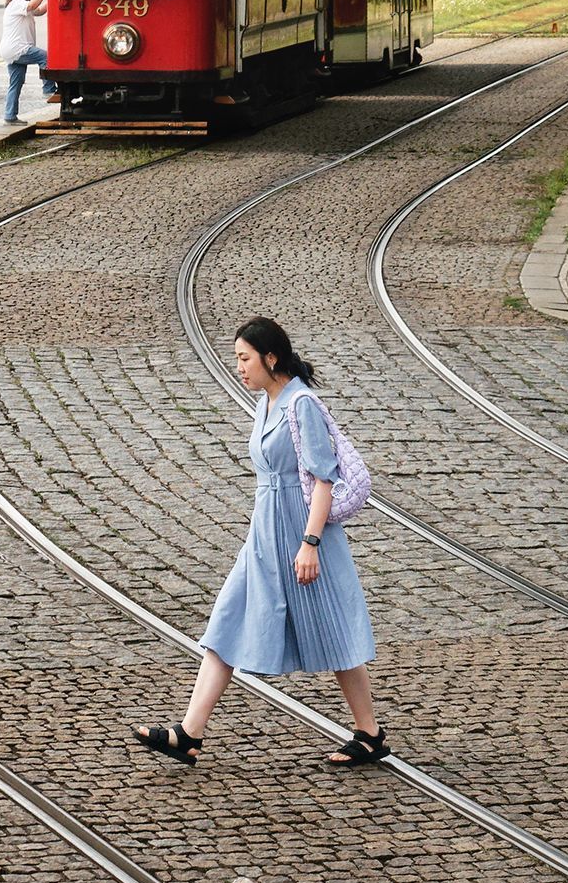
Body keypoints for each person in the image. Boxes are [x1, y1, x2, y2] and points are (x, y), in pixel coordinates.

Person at [133, 317, 386, 769]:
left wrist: (309, 543)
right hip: (265, 532)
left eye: (244, 358)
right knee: (228, 619)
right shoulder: (267, 403)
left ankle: (369, 732)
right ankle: (189, 732)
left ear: (271, 358)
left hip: (302, 530)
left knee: (334, 628)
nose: (239, 368)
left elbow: (324, 480)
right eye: (236, 359)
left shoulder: (300, 404)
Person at [0, 0, 58, 124]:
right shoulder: (17, 3)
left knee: (15, 83)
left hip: (10, 50)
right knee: (46, 57)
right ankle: (48, 89)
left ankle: (10, 115)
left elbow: (40, 11)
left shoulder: (20, 7)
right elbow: (33, 5)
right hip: (18, 48)